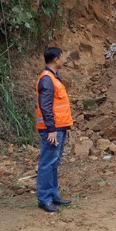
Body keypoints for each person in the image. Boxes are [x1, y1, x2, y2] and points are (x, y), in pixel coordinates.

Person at [36, 47, 74, 213]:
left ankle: (53, 195)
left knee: (54, 163)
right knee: (47, 163)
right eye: (62, 57)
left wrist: (66, 127)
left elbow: (60, 106)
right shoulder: (47, 79)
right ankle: (44, 199)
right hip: (52, 130)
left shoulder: (54, 77)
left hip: (59, 128)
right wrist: (51, 129)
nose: (63, 60)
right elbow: (45, 106)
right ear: (56, 59)